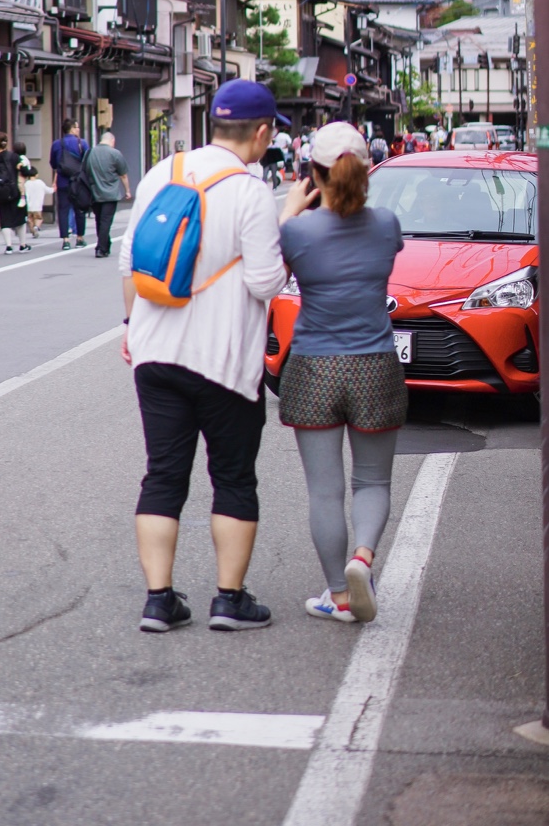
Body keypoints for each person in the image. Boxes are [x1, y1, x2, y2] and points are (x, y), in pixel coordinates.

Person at [120, 78, 314, 634]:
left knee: (163, 474)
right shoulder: (251, 190)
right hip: (223, 362)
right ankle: (228, 599)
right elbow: (264, 282)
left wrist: (130, 326)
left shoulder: (166, 173)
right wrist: (289, 224)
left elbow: (129, 261)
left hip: (155, 353)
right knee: (232, 477)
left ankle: (159, 600)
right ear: (260, 132)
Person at [277, 121, 406, 624]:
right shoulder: (387, 224)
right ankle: (363, 558)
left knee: (324, 490)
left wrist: (290, 211)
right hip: (375, 365)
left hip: (312, 367)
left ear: (314, 173)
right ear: (366, 170)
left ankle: (340, 594)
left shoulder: (297, 231)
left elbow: (269, 274)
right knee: (372, 482)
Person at [85, 123, 132, 258]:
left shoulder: (90, 153)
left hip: (94, 192)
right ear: (112, 141)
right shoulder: (115, 153)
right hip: (110, 193)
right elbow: (123, 174)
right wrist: (127, 190)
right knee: (106, 221)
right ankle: (101, 248)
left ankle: (105, 244)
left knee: (99, 220)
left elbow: (86, 171)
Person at [50, 117, 91, 248]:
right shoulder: (82, 143)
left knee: (63, 210)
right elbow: (88, 161)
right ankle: (80, 237)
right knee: (80, 209)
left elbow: (53, 163)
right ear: (72, 129)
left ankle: (65, 240)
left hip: (63, 181)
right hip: (78, 181)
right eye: (77, 127)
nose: (78, 129)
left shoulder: (57, 144)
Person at [0, 131, 29, 253]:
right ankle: (22, 245)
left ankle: (9, 246)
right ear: (6, 142)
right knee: (20, 217)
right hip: (13, 190)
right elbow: (25, 171)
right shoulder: (14, 157)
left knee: (4, 218)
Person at [23, 165, 49, 239]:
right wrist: (53, 189)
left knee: (30, 220)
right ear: (36, 174)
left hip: (29, 207)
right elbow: (47, 190)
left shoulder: (26, 184)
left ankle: (33, 232)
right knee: (38, 218)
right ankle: (36, 227)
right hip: (38, 206)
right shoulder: (40, 183)